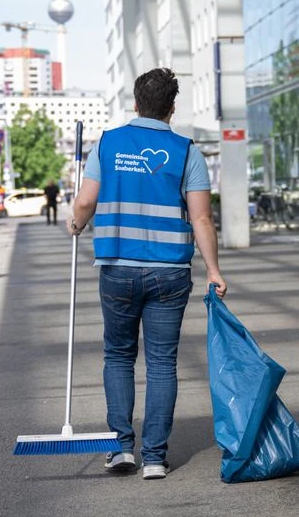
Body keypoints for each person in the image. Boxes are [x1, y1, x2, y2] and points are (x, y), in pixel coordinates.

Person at [68, 67, 227, 480]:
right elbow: (202, 218)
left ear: (135, 103)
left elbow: (86, 202)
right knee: (161, 362)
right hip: (170, 272)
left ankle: (122, 447)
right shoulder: (187, 151)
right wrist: (213, 270)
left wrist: (76, 223)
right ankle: (154, 457)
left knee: (118, 355)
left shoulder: (107, 143)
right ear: (172, 109)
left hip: (118, 268)